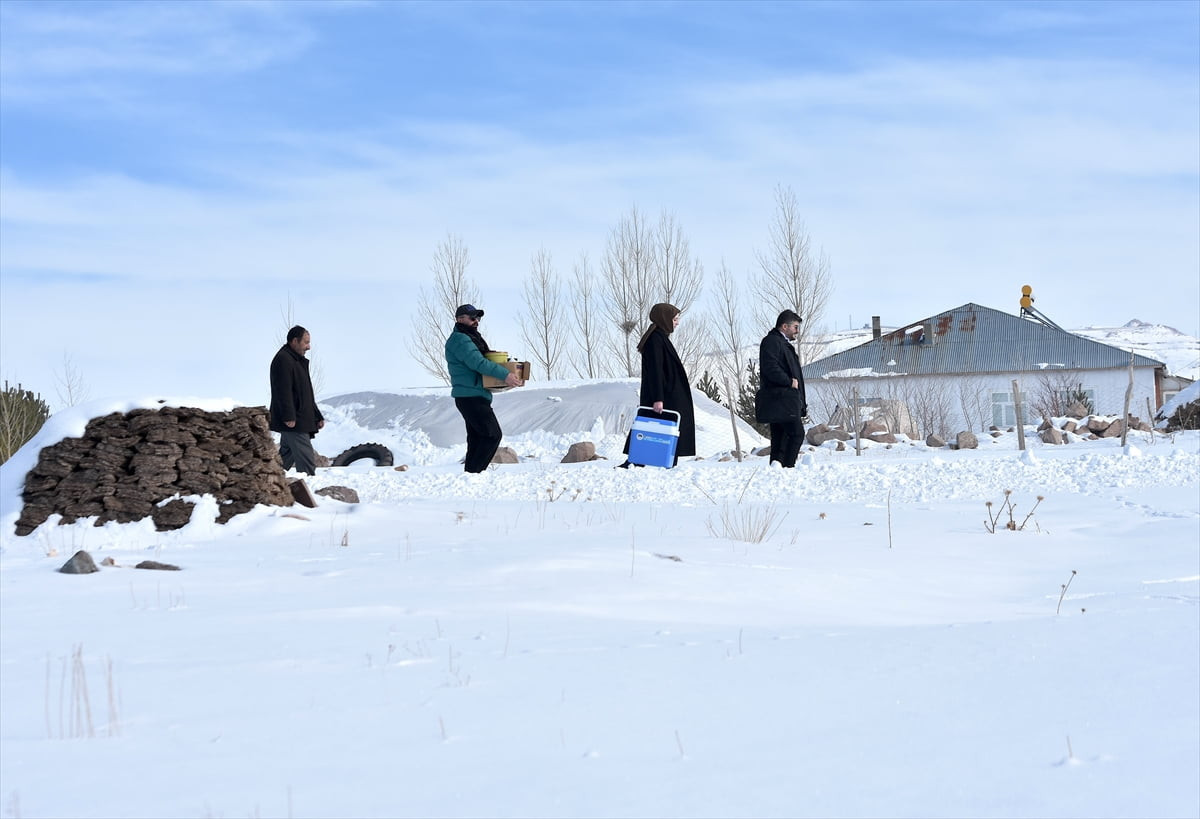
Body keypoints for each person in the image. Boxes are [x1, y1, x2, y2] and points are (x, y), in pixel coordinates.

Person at [445, 304, 523, 473]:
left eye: (478, 318)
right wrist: (505, 375)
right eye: (473, 318)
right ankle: (475, 473)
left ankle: (470, 476)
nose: (477, 321)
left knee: (477, 439)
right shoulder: (460, 339)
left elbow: (481, 361)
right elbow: (478, 363)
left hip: (473, 395)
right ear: (460, 319)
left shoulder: (469, 338)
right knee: (492, 435)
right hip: (470, 396)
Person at [619, 303, 696, 467]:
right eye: (675, 319)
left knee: (662, 428)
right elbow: (656, 371)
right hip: (664, 395)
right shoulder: (655, 339)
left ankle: (657, 460)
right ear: (664, 319)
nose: (677, 323)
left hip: (667, 393)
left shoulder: (660, 337)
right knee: (652, 427)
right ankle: (638, 461)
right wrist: (658, 398)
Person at [269, 325, 325, 475]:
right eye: (306, 342)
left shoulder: (296, 361)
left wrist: (317, 415)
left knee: (284, 458)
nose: (308, 347)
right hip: (295, 420)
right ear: (294, 341)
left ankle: (268, 480)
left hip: (299, 418)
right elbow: (282, 390)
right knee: (306, 461)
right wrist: (288, 416)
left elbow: (306, 393)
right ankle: (309, 485)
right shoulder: (283, 360)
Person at [755, 309, 807, 468]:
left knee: (780, 438)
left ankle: (777, 469)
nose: (797, 331)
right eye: (795, 327)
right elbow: (770, 367)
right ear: (785, 326)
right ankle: (788, 468)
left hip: (783, 398)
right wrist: (788, 382)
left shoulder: (780, 343)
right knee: (797, 434)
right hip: (781, 398)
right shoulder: (772, 342)